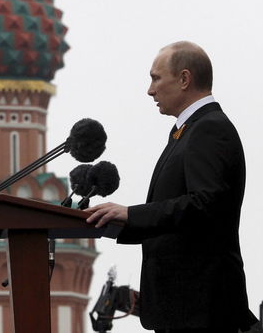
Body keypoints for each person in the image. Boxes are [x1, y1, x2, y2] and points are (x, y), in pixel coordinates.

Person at [86, 41, 258, 333]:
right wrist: (114, 223)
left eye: (155, 78)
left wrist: (131, 214)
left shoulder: (209, 129)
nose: (150, 90)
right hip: (181, 309)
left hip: (201, 309)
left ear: (184, 79)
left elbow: (206, 205)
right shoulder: (186, 131)